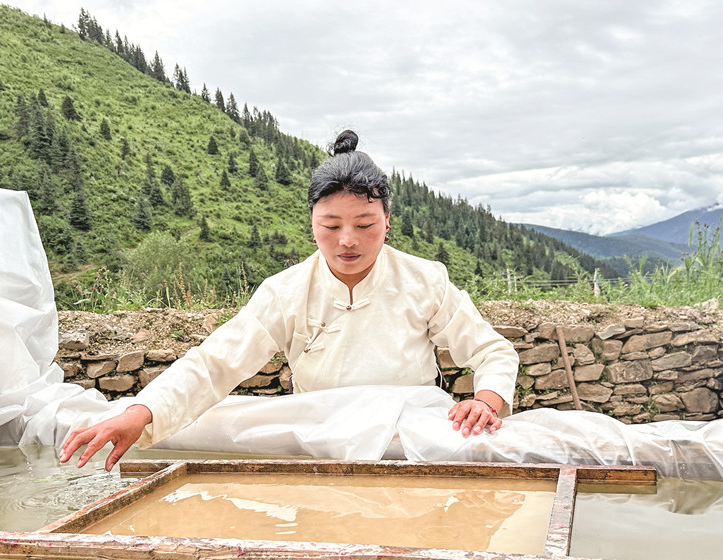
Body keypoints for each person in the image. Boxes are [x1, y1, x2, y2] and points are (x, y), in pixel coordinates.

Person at [60, 131, 519, 470]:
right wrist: (139, 415)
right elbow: (215, 363)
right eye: (331, 225)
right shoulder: (286, 292)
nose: (347, 240)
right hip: (322, 445)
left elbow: (492, 350)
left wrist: (486, 399)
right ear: (312, 224)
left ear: (387, 221)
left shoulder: (424, 280)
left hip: (410, 443)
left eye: (364, 224)